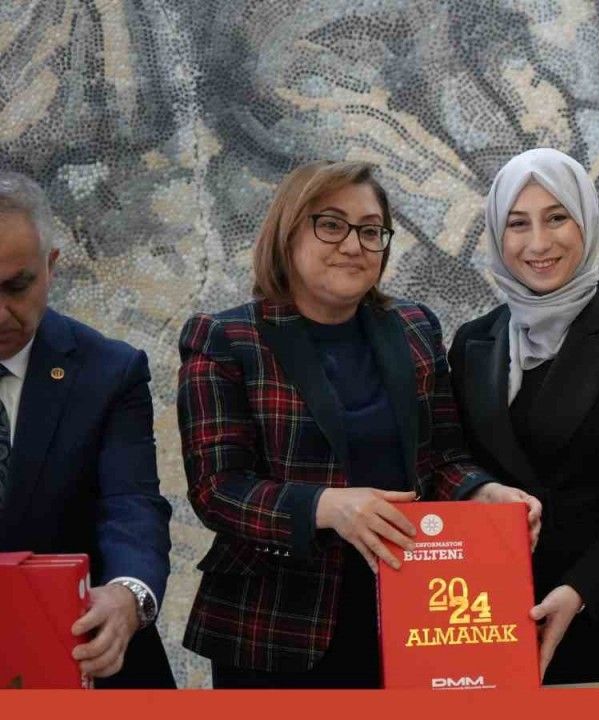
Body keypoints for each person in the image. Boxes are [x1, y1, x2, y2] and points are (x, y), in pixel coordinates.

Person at [177, 160, 539, 688]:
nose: (353, 245)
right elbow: (216, 488)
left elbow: (443, 459)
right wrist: (326, 506)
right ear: (287, 232)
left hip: (417, 609)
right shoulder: (224, 338)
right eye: (331, 225)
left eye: (371, 231)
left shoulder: (415, 327)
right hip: (277, 626)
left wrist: (484, 494)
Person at [449, 148, 599, 684]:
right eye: (517, 223)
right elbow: (455, 463)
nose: (538, 243)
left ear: (586, 221)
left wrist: (579, 591)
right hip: (502, 606)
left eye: (556, 217)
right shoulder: (473, 342)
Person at [0, 170, 174, 687]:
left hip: (82, 654)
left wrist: (127, 595)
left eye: (17, 287)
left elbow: (132, 505)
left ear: (51, 267)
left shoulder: (110, 372)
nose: (0, 313)